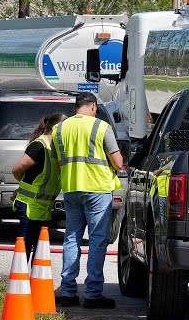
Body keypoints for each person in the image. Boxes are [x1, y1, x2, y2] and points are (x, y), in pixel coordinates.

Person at [51, 92, 123, 308]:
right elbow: (118, 162)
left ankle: (68, 291)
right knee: (97, 240)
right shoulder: (101, 127)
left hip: (72, 189)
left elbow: (57, 163)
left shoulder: (59, 128)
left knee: (71, 238)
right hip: (98, 189)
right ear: (92, 106)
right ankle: (92, 294)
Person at [12, 112, 66, 263]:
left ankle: (33, 283)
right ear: (56, 129)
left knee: (39, 248)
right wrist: (23, 184)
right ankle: (19, 283)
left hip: (43, 207)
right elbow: (17, 169)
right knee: (25, 246)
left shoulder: (54, 149)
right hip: (30, 205)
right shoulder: (39, 146)